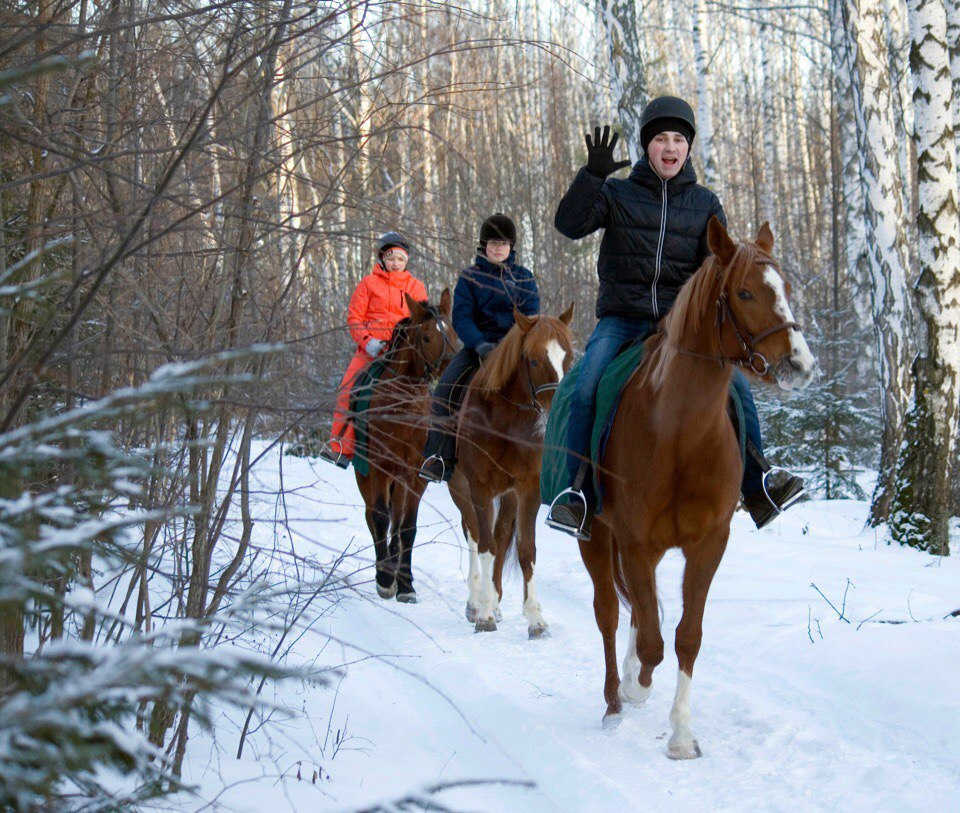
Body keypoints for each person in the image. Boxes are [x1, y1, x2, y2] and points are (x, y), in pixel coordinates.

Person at [546, 96, 804, 540]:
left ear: (688, 149)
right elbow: (569, 225)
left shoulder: (705, 203)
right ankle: (579, 493)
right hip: (622, 320)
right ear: (647, 146)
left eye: (679, 139)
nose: (670, 147)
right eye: (661, 138)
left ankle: (758, 483)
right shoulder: (618, 192)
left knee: (738, 387)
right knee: (587, 384)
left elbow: (718, 267)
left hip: (679, 327)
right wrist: (591, 177)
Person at [418, 213, 540, 482]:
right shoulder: (469, 278)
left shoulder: (524, 278)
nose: (498, 248)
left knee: (546, 389)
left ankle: (544, 462)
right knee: (442, 393)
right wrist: (480, 344)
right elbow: (461, 316)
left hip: (514, 353)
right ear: (484, 245)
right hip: (478, 350)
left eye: (503, 243)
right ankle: (441, 456)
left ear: (512, 246)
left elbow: (531, 317)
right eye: (493, 243)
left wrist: (510, 345)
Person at [320, 231, 427, 468]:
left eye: (400, 259)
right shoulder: (368, 283)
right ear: (382, 258)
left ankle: (428, 450)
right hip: (372, 350)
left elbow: (422, 321)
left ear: (406, 260)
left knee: (428, 393)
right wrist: (368, 341)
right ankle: (340, 447)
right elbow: (354, 318)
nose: (395, 264)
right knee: (348, 389)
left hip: (404, 351)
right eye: (391, 258)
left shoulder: (416, 287)